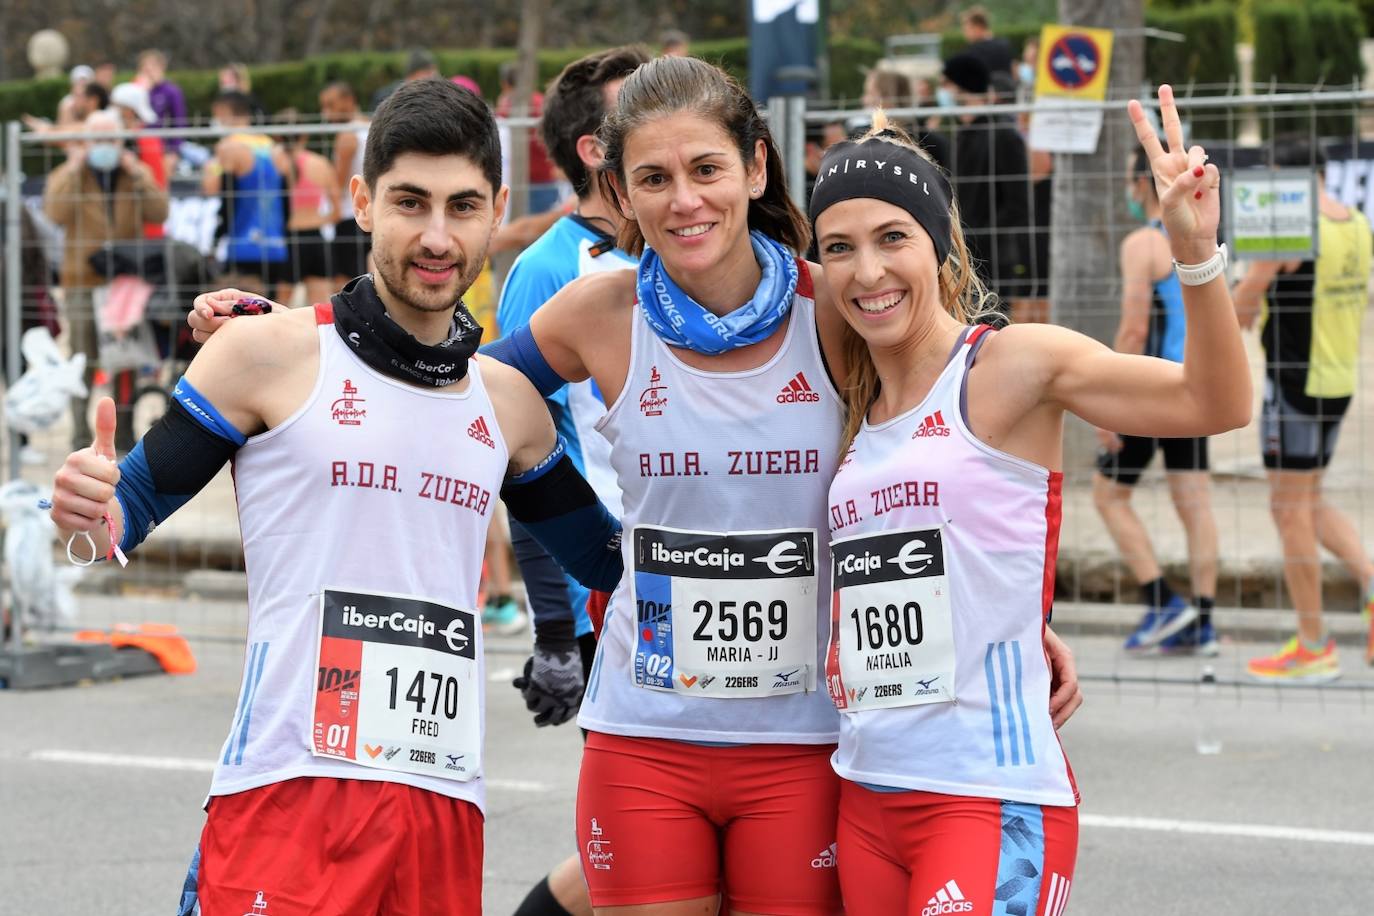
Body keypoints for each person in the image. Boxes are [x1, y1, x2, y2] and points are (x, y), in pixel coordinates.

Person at [190, 55, 1081, 915]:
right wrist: (300, 345)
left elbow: (952, 459)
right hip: (645, 724)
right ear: (617, 191)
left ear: (754, 166)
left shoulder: (838, 308)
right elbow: (440, 389)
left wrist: (1011, 622)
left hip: (806, 736)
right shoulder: (595, 313)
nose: (686, 200)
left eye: (707, 169)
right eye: (653, 178)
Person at [55, 78, 622, 916]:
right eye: (409, 202)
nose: (437, 236)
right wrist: (83, 509)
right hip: (286, 796)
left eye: (463, 206)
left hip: (442, 805)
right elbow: (117, 521)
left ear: (497, 210)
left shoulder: (508, 407)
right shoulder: (263, 353)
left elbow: (613, 563)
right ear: (360, 200)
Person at [809, 84, 1248, 915]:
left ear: (938, 245)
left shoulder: (1009, 367)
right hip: (866, 790)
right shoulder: (855, 408)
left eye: (892, 238)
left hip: (986, 794)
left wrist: (1194, 253)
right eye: (839, 248)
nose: (867, 271)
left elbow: (1214, 404)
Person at [496, 44, 650, 916]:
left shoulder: (688, 242)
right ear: (598, 151)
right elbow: (521, 453)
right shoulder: (552, 272)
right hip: (619, 588)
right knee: (635, 855)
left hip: (733, 579)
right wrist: (557, 631)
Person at [1232, 141, 1374, 682]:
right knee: (1308, 500)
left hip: (1294, 384)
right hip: (1338, 380)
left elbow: (1241, 309)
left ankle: (1314, 644)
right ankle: (1369, 581)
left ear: (1280, 179)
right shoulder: (1356, 222)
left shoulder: (1289, 226)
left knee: (1287, 510)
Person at [1095, 148, 1220, 657]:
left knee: (1107, 496)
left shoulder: (1143, 243)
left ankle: (1163, 601)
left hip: (1152, 391)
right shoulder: (1197, 239)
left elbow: (1133, 328)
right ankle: (1204, 622)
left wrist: (1109, 403)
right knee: (1195, 505)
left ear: (1140, 184)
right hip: (1196, 387)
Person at [44, 108, 169, 451]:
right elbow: (55, 212)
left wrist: (139, 174)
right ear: (85, 142)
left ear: (121, 141)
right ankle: (81, 435)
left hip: (124, 282)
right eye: (96, 139)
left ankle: (124, 431)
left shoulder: (132, 173)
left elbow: (160, 212)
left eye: (110, 139)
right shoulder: (71, 174)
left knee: (125, 358)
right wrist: (72, 167)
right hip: (81, 279)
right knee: (83, 357)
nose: (104, 146)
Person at [940, 51, 1032, 315]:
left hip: (995, 259)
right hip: (963, 256)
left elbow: (1018, 203)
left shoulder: (1003, 135)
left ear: (962, 87)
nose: (942, 92)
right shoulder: (962, 134)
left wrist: (979, 236)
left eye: (946, 85)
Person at [204, 90, 293, 301]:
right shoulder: (272, 147)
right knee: (269, 307)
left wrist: (218, 236)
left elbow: (216, 191)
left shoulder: (229, 146)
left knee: (241, 310)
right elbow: (287, 197)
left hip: (243, 241)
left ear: (224, 111)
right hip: (275, 242)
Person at [277, 109, 341, 305]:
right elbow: (336, 211)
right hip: (317, 238)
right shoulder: (321, 163)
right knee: (320, 308)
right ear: (304, 135)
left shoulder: (276, 162)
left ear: (277, 136)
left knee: (277, 306)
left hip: (289, 239)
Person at [319, 80, 373, 284]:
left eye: (331, 105)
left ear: (349, 101)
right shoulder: (373, 128)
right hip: (369, 211)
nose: (326, 113)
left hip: (348, 216)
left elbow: (337, 183)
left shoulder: (347, 136)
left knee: (344, 281)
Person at [109, 82, 168, 240]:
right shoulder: (138, 137)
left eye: (116, 106)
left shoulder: (145, 140)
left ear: (128, 110)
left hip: (145, 228)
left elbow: (154, 182)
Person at [135, 50, 187, 169]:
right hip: (138, 147)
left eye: (153, 65)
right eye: (144, 66)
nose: (148, 69)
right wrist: (142, 91)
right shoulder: (136, 89)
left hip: (163, 148)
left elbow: (179, 121)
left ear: (162, 67)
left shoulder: (172, 91)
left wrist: (174, 151)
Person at [959, 6, 1014, 83]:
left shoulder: (974, 51)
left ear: (978, 27)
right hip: (1007, 93)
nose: (965, 34)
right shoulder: (1004, 44)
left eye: (967, 29)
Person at [371, 49, 439, 110]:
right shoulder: (386, 95)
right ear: (414, 73)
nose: (433, 75)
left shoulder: (433, 94)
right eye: (428, 71)